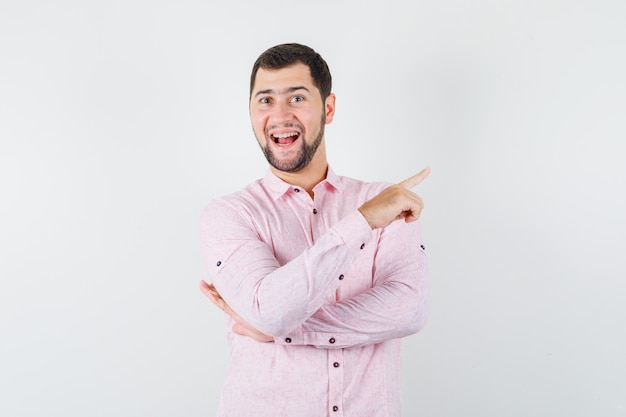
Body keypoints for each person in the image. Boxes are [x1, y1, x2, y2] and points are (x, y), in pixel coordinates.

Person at [199, 43, 430, 417]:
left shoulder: (384, 200)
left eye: (297, 98)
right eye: (265, 100)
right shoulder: (230, 214)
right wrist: (363, 221)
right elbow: (268, 310)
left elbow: (409, 308)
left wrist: (285, 332)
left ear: (329, 108)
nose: (280, 115)